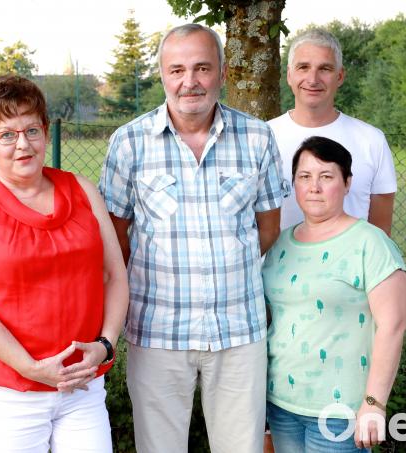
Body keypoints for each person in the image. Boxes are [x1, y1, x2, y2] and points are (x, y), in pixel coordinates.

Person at [99, 24, 285, 453]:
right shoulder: (128, 143)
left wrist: (223, 267)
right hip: (158, 330)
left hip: (239, 330)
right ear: (162, 75)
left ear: (221, 73)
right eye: (177, 69)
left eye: (202, 67)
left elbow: (269, 227)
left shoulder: (257, 137)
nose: (190, 81)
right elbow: (116, 240)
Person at [0, 74, 129, 453]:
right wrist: (30, 367)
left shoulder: (81, 190)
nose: (22, 144)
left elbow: (114, 276)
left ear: (45, 132)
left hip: (81, 385)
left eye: (31, 129)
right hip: (10, 393)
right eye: (6, 135)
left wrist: (105, 345)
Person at [262, 136, 406, 452]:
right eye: (305, 177)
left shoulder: (371, 244)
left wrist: (374, 403)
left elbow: (392, 326)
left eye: (326, 176)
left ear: (347, 183)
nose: (314, 186)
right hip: (282, 404)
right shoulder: (280, 244)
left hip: (340, 413)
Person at [269, 28, 397, 236]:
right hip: (279, 267)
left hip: (350, 267)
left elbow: (380, 235)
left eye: (325, 69)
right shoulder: (263, 138)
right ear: (289, 75)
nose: (313, 79)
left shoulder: (371, 140)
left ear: (340, 76)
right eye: (303, 67)